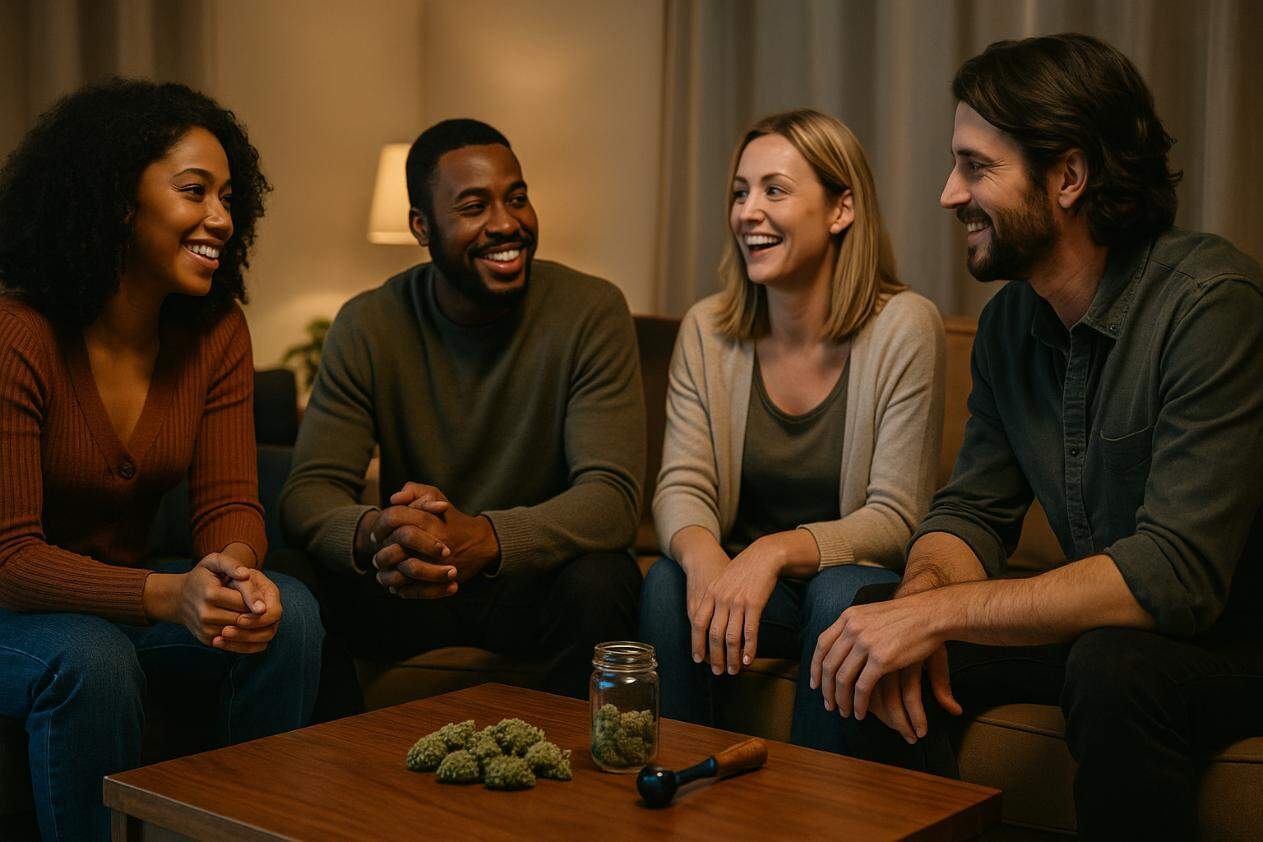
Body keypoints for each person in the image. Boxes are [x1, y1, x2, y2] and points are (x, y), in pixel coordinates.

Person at [810, 34, 1263, 839]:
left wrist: (941, 618)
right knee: (872, 628)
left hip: (1234, 638)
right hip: (1112, 634)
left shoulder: (1211, 304)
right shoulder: (1008, 325)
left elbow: (1177, 576)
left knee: (1115, 667)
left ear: (1067, 177)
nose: (950, 194)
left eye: (976, 167)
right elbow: (970, 515)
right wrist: (917, 606)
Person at [0, 78, 322, 841]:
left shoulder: (214, 331)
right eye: (194, 191)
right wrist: (169, 593)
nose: (222, 217)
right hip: (18, 611)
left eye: (229, 195)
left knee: (289, 615)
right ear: (115, 201)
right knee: (93, 658)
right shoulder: (18, 334)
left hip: (131, 598)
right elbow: (10, 558)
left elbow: (228, 505)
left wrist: (231, 573)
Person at [279, 119, 645, 702]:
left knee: (604, 578)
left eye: (517, 198)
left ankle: (563, 777)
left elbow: (611, 500)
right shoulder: (368, 323)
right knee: (290, 576)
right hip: (412, 580)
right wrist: (379, 532)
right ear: (421, 227)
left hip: (531, 584)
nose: (506, 224)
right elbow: (308, 492)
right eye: (474, 206)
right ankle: (338, 772)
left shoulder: (591, 311)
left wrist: (487, 537)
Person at [639, 109, 945, 752]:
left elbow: (897, 517)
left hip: (845, 582)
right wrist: (706, 560)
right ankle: (682, 798)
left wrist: (770, 551)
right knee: (667, 582)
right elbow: (681, 486)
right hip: (756, 595)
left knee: (841, 592)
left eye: (774, 190)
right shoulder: (707, 329)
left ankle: (816, 813)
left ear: (841, 210)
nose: (748, 211)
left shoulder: (905, 327)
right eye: (740, 192)